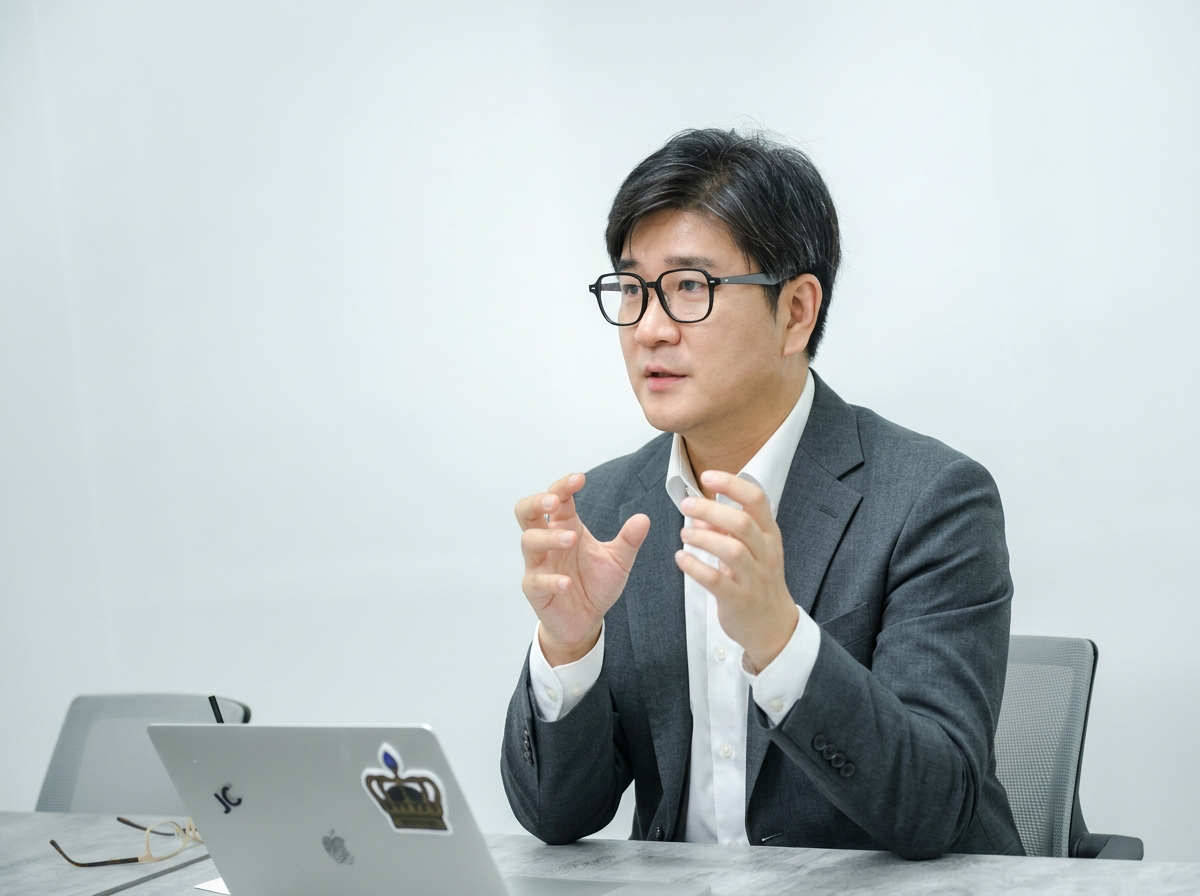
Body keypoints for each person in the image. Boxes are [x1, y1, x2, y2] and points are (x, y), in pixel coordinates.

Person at [500, 128, 1024, 859]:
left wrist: (779, 637)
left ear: (796, 312)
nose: (649, 330)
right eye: (632, 289)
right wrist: (569, 645)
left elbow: (935, 808)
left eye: (690, 287)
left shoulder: (931, 500)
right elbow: (557, 816)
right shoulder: (614, 507)